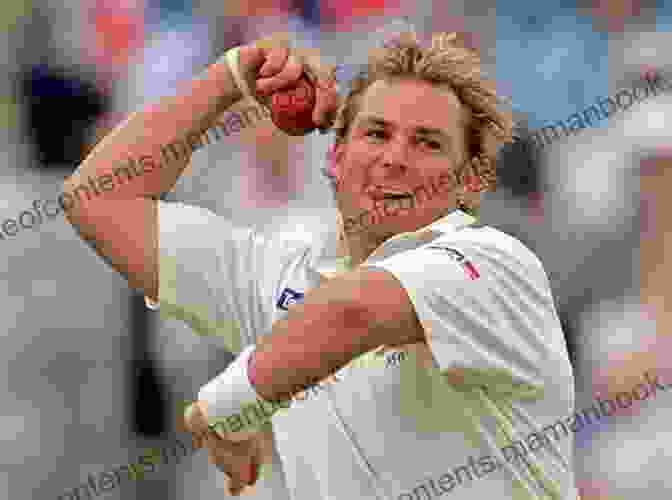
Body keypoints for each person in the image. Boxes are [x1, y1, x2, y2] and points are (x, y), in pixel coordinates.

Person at [63, 31, 578, 499]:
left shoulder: (496, 264)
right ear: (334, 159)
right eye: (377, 133)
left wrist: (225, 410)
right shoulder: (276, 275)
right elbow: (97, 199)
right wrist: (234, 77)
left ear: (472, 181)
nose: (396, 158)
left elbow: (351, 315)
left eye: (428, 143)